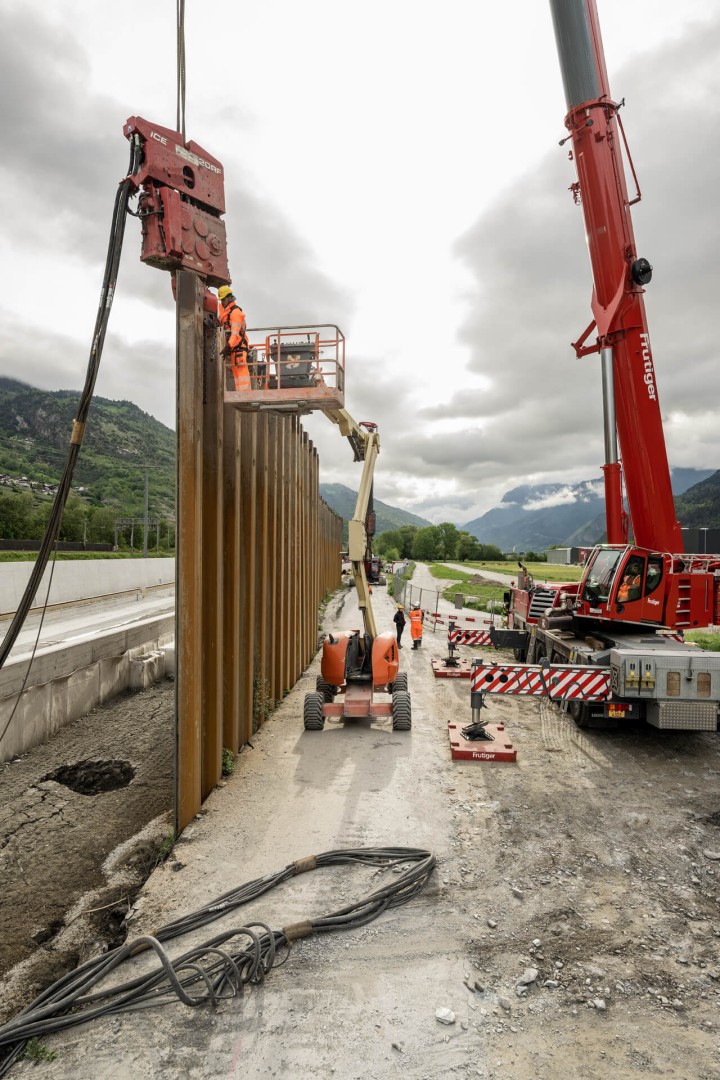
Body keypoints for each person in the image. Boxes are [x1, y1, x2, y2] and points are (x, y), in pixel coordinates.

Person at [218, 285, 251, 391]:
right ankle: (241, 394)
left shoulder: (236, 313)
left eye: (223, 300)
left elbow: (235, 334)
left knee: (241, 372)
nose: (222, 302)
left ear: (228, 298)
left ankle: (245, 394)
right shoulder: (227, 311)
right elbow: (221, 320)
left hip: (239, 347)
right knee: (237, 372)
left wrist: (228, 346)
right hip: (234, 348)